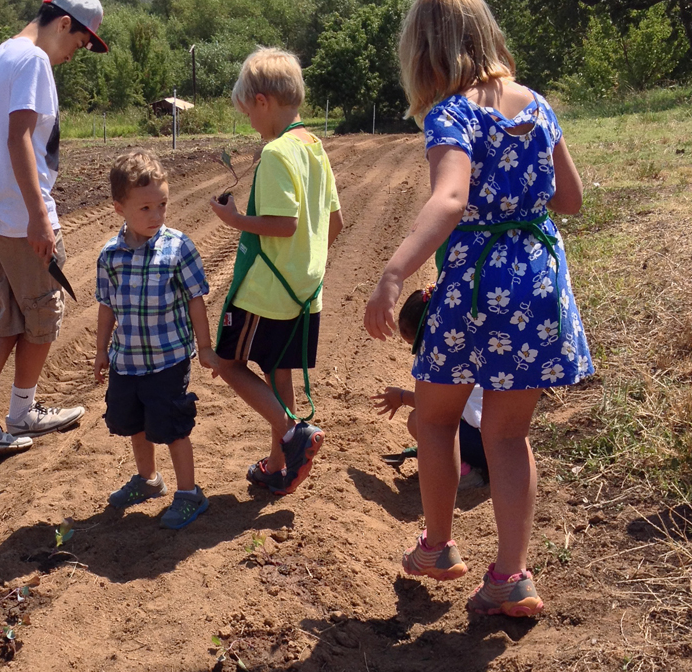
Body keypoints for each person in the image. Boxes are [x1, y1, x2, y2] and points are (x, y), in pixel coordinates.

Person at [364, 0, 594, 617]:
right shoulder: (538, 107)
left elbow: (450, 199)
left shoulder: (453, 113)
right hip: (539, 281)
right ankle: (512, 576)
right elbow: (570, 199)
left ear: (426, 50)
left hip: (476, 288)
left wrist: (393, 273)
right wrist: (518, 196)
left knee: (436, 418)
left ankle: (438, 547)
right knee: (509, 435)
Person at [0, 0, 108, 454]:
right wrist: (39, 217)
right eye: (79, 43)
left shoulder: (3, 55)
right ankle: (19, 411)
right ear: (63, 24)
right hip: (17, 218)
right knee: (42, 313)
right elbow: (19, 137)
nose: (74, 55)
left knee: (10, 315)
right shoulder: (33, 61)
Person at [209, 48, 344, 496]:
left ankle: (294, 431)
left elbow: (282, 225)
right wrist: (306, 266)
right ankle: (277, 465)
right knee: (278, 372)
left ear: (262, 100)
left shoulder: (277, 152)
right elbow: (336, 223)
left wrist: (234, 221)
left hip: (266, 293)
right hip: (306, 291)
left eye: (248, 111)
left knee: (226, 364)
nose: (250, 121)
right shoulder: (314, 148)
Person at [93, 151, 219, 529]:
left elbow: (196, 301)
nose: (157, 216)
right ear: (120, 208)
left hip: (168, 359)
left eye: (162, 205)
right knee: (134, 424)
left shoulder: (178, 247)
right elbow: (106, 307)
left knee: (172, 427)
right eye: (145, 208)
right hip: (127, 361)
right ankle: (148, 481)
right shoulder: (110, 256)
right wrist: (101, 350)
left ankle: (189, 493)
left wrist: (206, 347)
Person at [371, 288, 489, 490]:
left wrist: (401, 397)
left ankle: (467, 474)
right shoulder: (468, 344)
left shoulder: (455, 362)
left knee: (420, 421)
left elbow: (436, 405)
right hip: (497, 442)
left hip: (486, 448)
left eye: (418, 347)